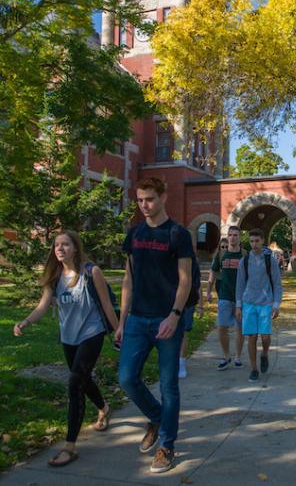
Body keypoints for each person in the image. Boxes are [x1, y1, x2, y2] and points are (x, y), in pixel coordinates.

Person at [13, 230, 118, 468]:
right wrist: (26, 322)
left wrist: (119, 332)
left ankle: (69, 447)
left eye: (65, 244)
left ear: (75, 248)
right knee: (82, 379)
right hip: (69, 337)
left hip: (92, 333)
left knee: (74, 384)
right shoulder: (54, 276)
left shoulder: (92, 272)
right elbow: (42, 306)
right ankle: (104, 407)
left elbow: (107, 306)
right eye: (56, 245)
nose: (59, 248)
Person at [116, 177, 193, 474]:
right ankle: (157, 417)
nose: (144, 205)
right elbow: (128, 279)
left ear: (163, 196)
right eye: (139, 200)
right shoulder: (134, 233)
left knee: (169, 386)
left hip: (167, 321)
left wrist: (175, 315)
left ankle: (166, 445)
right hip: (137, 319)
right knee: (126, 378)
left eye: (148, 199)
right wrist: (122, 321)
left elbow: (184, 279)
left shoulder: (178, 234)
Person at [235, 228, 282, 383]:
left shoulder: (271, 260)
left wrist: (276, 304)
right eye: (251, 241)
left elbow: (277, 283)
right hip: (249, 303)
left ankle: (264, 354)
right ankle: (254, 369)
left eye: (257, 241)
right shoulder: (245, 260)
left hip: (266, 302)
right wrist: (238, 305)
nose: (254, 244)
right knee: (252, 337)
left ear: (262, 241)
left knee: (266, 337)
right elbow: (240, 284)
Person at [206, 225, 244, 370]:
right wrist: (208, 291)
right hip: (224, 296)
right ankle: (226, 355)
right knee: (222, 327)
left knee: (240, 328)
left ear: (240, 238)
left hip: (241, 298)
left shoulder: (245, 255)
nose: (232, 238)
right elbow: (213, 272)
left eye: (235, 235)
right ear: (227, 237)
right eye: (230, 235)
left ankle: (238, 357)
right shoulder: (221, 255)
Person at [178, 254, 204, 379]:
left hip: (188, 300)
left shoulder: (192, 260)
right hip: (168, 299)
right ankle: (173, 361)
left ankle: (181, 362)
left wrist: (200, 305)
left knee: (183, 332)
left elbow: (197, 285)